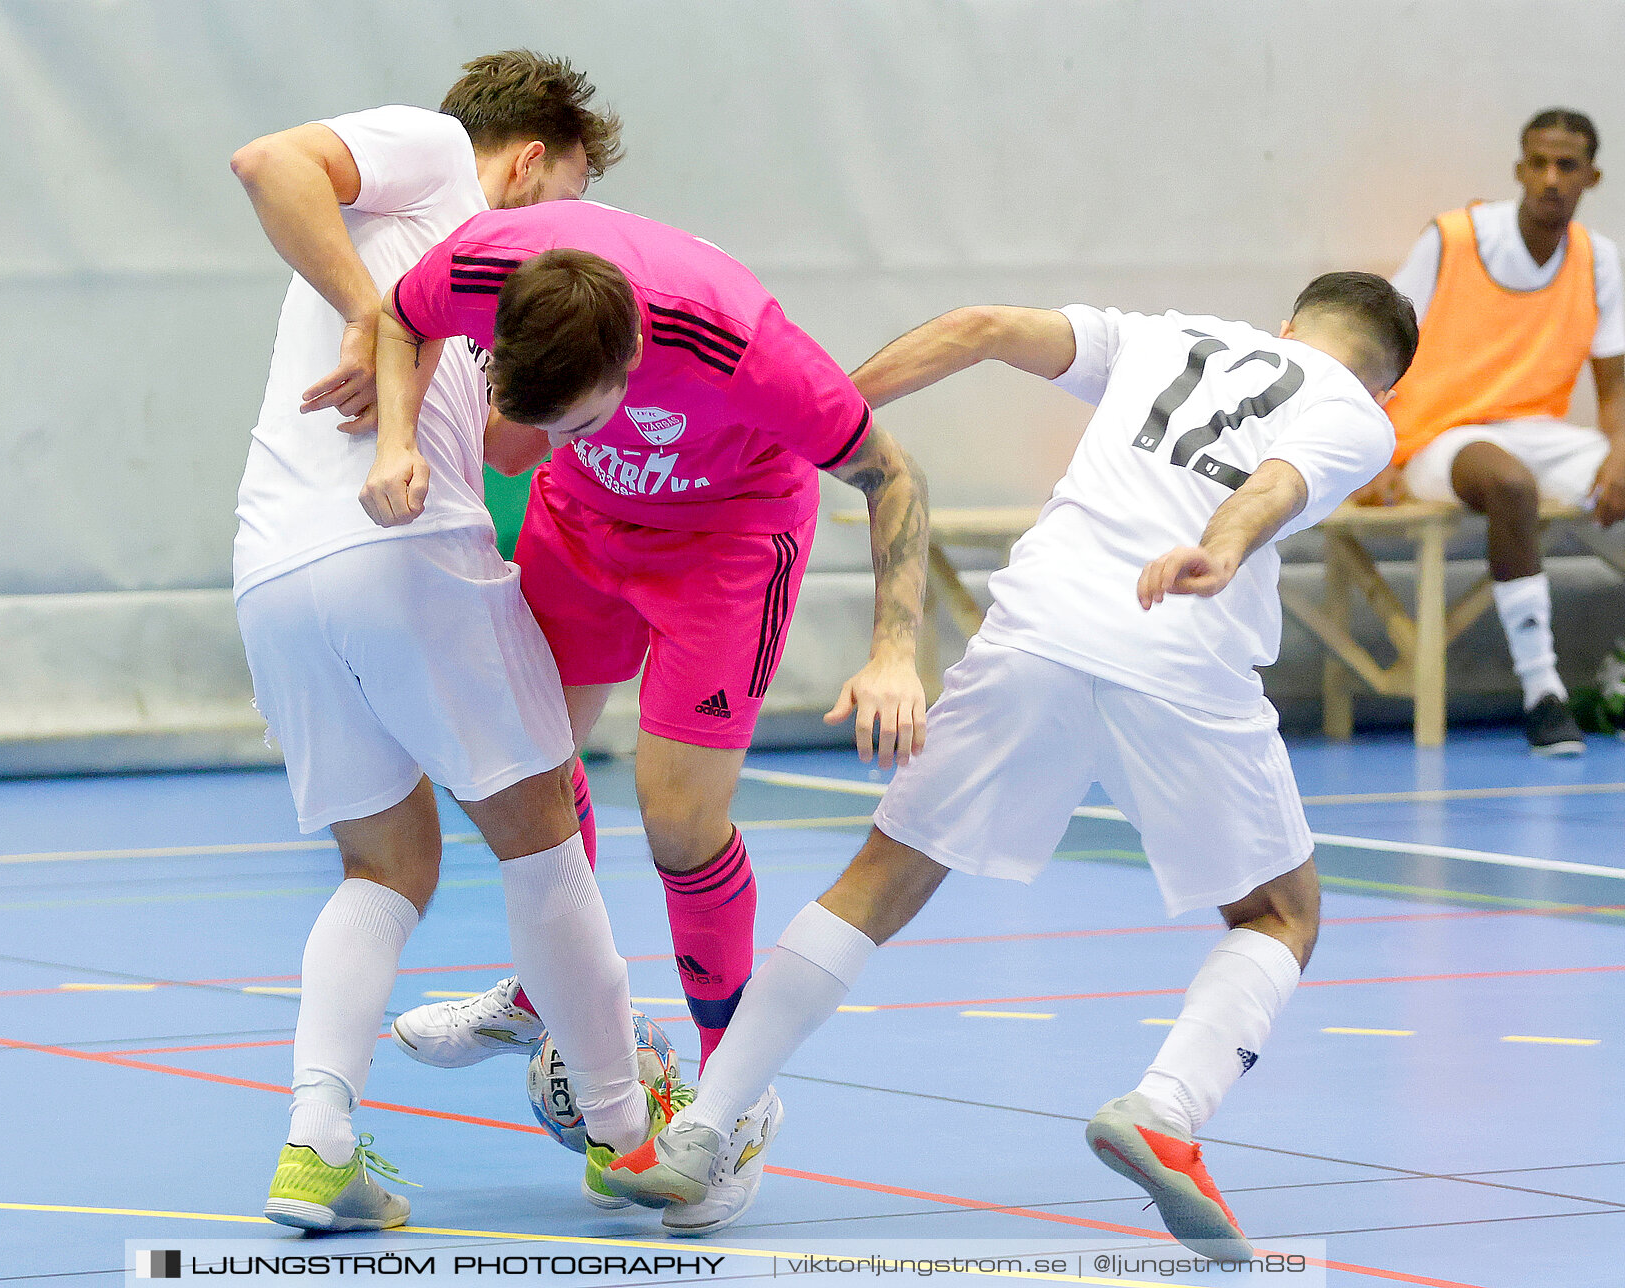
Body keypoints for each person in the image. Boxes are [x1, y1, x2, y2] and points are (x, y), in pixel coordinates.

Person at [602, 273, 1419, 1251]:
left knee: (877, 884)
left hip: (1037, 624)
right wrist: (1221, 549)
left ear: (1287, 324)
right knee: (1281, 913)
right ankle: (1165, 1111)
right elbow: (1273, 484)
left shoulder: (1166, 333)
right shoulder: (1359, 418)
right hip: (1181, 647)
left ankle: (701, 1126)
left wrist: (810, 428)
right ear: (1390, 385)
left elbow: (977, 327)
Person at [370, 199, 931, 1232]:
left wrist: (895, 649)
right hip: (584, 524)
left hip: (727, 537)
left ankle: (731, 1096)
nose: (549, 436)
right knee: (513, 762)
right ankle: (556, 993)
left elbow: (893, 476)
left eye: (576, 420)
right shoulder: (492, 266)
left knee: (678, 817)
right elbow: (400, 316)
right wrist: (395, 441)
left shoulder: (744, 348)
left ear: (634, 355)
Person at [229, 51, 667, 1232]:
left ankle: (316, 1146)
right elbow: (270, 163)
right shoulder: (431, 159)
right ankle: (633, 1138)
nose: (565, 221)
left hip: (276, 573)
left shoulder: (496, 289)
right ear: (528, 158)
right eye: (566, 190)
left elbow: (517, 446)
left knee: (388, 866)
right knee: (540, 845)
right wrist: (378, 320)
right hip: (400, 547)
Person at [1360, 108, 1624, 755]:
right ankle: (1544, 694)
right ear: (1518, 169)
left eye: (1566, 166)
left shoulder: (1598, 257)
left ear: (1591, 175)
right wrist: (1373, 454)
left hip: (1539, 430)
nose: (1550, 178)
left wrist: (1620, 451)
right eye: (1538, 163)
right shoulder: (1453, 239)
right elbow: (1371, 343)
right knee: (1511, 485)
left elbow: (1613, 384)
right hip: (1440, 437)